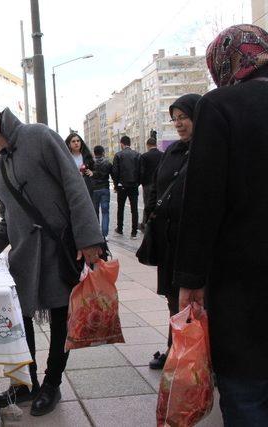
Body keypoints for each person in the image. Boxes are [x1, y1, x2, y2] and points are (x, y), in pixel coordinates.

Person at [0, 101, 103, 417]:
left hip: (59, 249)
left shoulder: (39, 137)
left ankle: (51, 384)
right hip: (24, 256)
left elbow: (74, 186)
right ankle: (26, 383)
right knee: (20, 318)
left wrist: (90, 239)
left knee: (60, 319)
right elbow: (7, 220)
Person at [173, 24, 268, 425]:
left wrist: (190, 279)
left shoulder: (222, 105)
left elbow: (204, 199)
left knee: (247, 393)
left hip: (244, 282)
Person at [142, 94, 201, 370]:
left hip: (193, 239)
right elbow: (156, 184)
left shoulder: (210, 149)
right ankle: (174, 347)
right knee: (171, 297)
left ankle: (196, 354)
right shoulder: (173, 151)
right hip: (167, 238)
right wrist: (151, 212)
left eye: (184, 117)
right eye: (175, 119)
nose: (178, 124)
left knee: (192, 299)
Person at [112, 135, 140, 238]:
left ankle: (120, 228)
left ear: (122, 144)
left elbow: (115, 171)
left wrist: (116, 184)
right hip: (133, 185)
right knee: (134, 209)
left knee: (121, 208)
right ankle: (134, 231)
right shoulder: (137, 155)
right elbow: (141, 170)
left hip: (122, 185)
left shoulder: (118, 155)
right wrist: (138, 182)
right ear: (130, 143)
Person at [138, 137, 163, 229]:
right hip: (160, 183)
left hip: (148, 184)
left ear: (147, 145)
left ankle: (145, 223)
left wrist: (141, 182)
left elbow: (142, 172)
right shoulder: (162, 155)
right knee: (159, 203)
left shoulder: (144, 156)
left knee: (147, 204)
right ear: (156, 145)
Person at [90, 145, 112, 239]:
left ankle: (96, 234)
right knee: (105, 212)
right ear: (103, 152)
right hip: (105, 189)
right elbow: (113, 174)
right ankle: (104, 235)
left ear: (94, 153)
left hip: (94, 189)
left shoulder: (90, 163)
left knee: (95, 212)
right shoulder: (107, 162)